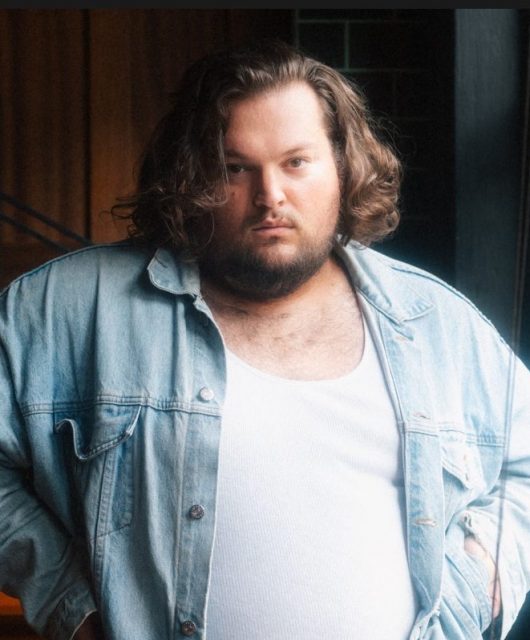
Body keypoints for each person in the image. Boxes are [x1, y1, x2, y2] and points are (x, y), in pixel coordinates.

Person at [0, 38, 529, 640]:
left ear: (343, 166)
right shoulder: (67, 309)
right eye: (234, 168)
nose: (270, 196)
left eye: (296, 162)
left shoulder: (435, 323)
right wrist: (71, 603)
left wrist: (474, 584)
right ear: (190, 176)